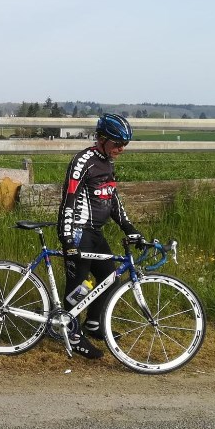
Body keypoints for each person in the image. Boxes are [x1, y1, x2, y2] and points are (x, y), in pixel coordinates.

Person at [57, 113, 143, 360]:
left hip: (95, 232)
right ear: (102, 139)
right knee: (78, 288)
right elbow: (68, 200)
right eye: (117, 143)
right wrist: (67, 239)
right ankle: (72, 335)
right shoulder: (83, 161)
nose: (122, 149)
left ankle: (93, 324)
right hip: (77, 230)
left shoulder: (107, 162)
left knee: (110, 277)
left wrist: (129, 227)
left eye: (124, 144)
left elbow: (112, 199)